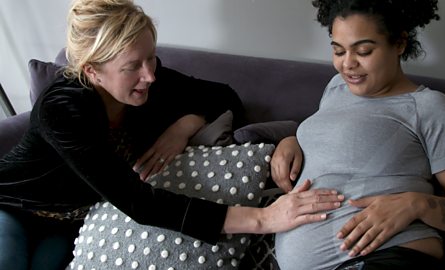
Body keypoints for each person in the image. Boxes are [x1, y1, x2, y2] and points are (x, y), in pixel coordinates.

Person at [0, 0, 345, 269]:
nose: (149, 75)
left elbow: (223, 95)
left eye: (151, 57)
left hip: (71, 222)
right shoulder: (63, 108)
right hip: (16, 205)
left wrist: (185, 125)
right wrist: (264, 218)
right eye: (132, 66)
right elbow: (140, 202)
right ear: (93, 71)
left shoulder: (149, 82)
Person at [272, 0, 445, 269]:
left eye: (364, 51)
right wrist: (292, 140)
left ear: (400, 44)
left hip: (387, 257)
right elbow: (338, 142)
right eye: (338, 51)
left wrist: (416, 205)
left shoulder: (431, 107)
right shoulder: (336, 87)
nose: (347, 64)